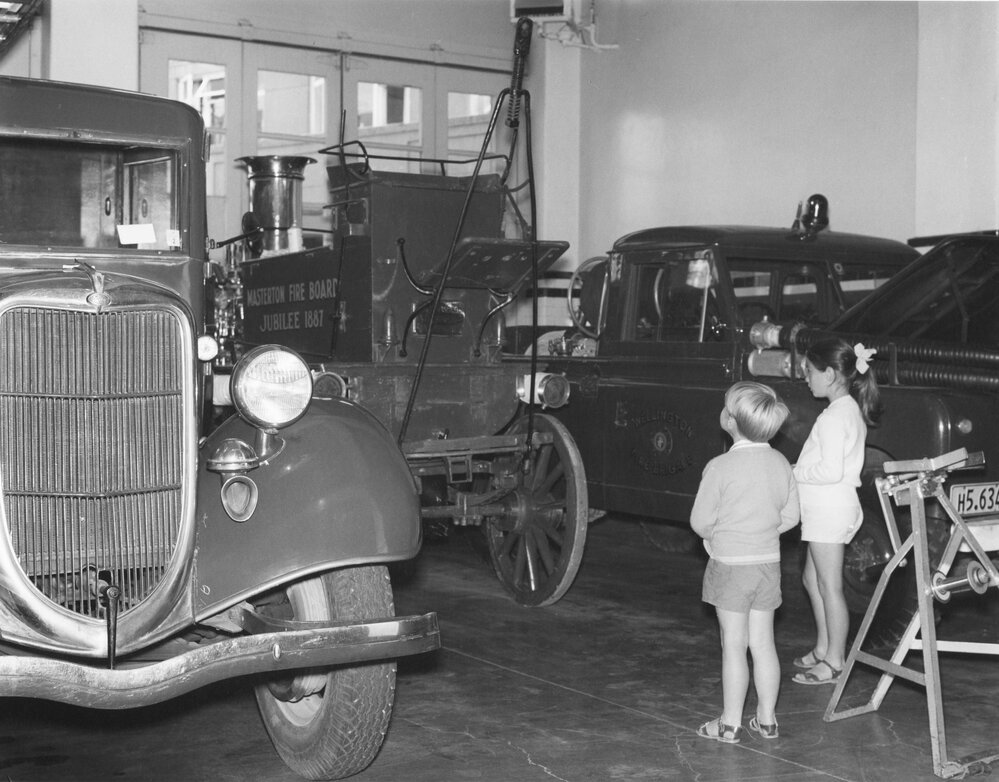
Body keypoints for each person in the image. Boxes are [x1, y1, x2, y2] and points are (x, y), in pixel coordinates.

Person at [691, 381, 800, 744]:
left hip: (731, 565)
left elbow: (700, 521)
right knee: (763, 644)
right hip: (767, 564)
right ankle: (767, 720)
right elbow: (791, 516)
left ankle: (730, 724)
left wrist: (714, 537)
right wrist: (764, 529)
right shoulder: (781, 462)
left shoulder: (720, 466)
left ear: (731, 422)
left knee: (733, 645)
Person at [791, 338, 880, 686]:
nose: (806, 378)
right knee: (811, 579)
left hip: (829, 509)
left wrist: (794, 470)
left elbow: (829, 471)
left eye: (809, 372)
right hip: (827, 509)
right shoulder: (847, 410)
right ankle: (823, 646)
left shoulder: (833, 417)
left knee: (830, 586)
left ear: (829, 375)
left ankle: (835, 661)